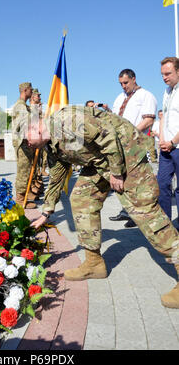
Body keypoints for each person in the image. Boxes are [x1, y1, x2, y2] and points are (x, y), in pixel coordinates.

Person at [24, 105, 179, 308]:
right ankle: (94, 263)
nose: (27, 145)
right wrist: (46, 212)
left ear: (36, 128)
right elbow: (56, 176)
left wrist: (116, 172)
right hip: (100, 162)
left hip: (125, 155)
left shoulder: (68, 121)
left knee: (145, 213)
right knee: (81, 199)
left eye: (26, 139)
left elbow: (108, 135)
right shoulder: (49, 144)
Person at [104, 69, 157, 227]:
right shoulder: (120, 97)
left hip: (136, 144)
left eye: (126, 83)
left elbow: (148, 120)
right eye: (121, 83)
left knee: (137, 180)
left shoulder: (146, 96)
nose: (123, 86)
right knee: (124, 178)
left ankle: (139, 214)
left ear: (134, 79)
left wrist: (129, 133)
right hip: (120, 144)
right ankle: (126, 210)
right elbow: (114, 118)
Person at [157, 57, 179, 230]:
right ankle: (165, 226)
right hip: (167, 148)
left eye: (168, 73)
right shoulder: (167, 91)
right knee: (162, 184)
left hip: (177, 146)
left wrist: (173, 142)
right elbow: (163, 117)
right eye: (162, 74)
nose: (164, 77)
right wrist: (163, 140)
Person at [11, 82, 37, 209]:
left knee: (26, 170)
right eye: (30, 90)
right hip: (22, 143)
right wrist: (34, 109)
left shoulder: (24, 106)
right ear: (25, 90)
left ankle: (23, 196)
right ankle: (20, 200)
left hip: (24, 142)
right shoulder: (20, 106)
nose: (32, 92)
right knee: (23, 170)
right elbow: (28, 122)